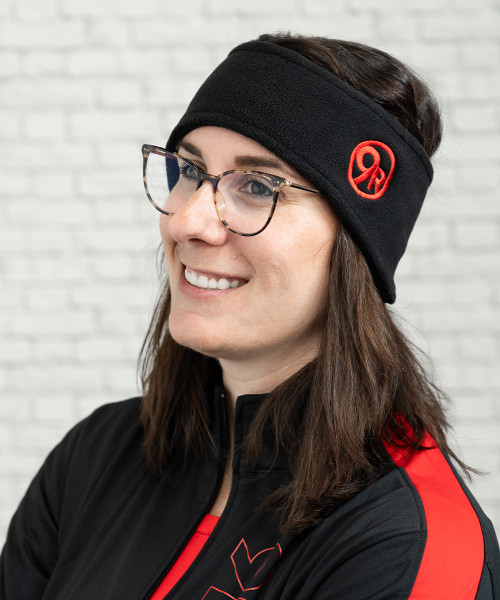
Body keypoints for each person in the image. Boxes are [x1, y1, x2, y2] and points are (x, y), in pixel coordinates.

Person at [1, 32, 499, 600]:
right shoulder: (94, 459)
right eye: (188, 171)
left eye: (256, 186)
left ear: (356, 248)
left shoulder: (406, 546)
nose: (188, 221)